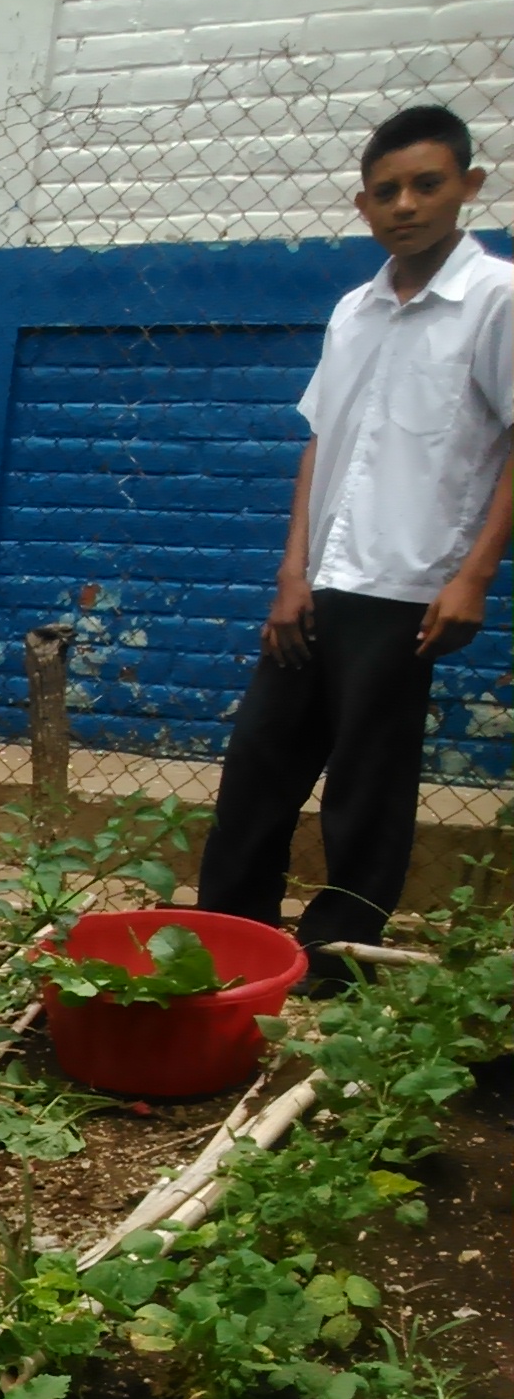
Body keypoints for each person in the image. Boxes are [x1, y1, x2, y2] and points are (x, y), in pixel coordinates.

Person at [196, 104, 512, 974]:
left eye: (426, 184)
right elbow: (321, 441)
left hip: (410, 584)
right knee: (258, 767)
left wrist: (475, 576)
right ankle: (232, 942)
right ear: (363, 205)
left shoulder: (496, 301)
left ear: (469, 188)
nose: (405, 203)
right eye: (386, 191)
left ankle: (338, 961)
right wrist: (291, 573)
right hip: (322, 580)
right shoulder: (354, 310)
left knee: (367, 790)